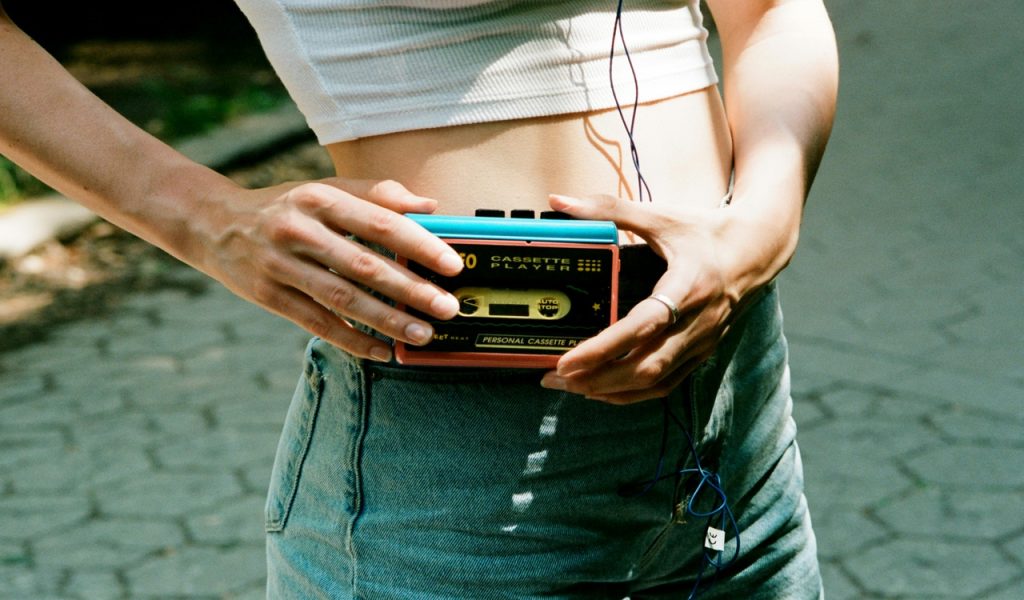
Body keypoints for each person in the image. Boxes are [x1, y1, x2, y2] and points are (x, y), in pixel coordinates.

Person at [0, 0, 838, 597]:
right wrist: (197, 214)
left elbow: (773, 12)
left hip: (738, 404)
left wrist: (760, 232)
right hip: (462, 465)